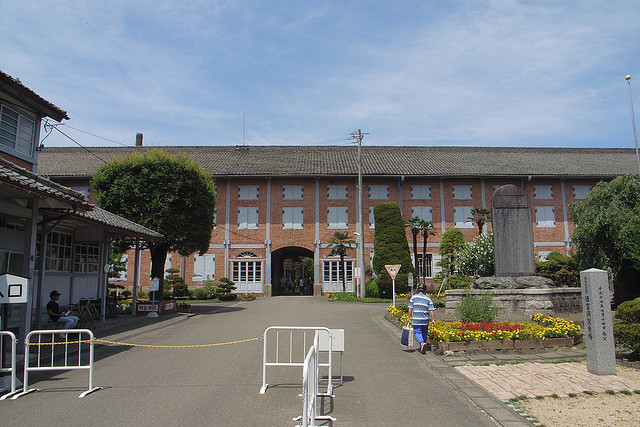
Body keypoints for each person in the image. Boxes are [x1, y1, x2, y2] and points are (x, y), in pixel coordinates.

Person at [407, 283, 436, 354]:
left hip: (416, 318)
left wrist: (409, 317)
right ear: (425, 290)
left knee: (417, 332)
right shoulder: (428, 299)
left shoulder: (413, 297)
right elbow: (431, 310)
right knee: (424, 332)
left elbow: (410, 308)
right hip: (425, 319)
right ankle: (423, 345)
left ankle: (422, 343)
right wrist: (433, 319)